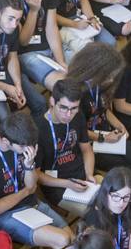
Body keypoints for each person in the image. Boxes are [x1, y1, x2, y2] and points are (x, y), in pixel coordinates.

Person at [0, 110, 72, 249]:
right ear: (5, 141)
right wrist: (25, 192)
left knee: (72, 240)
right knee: (62, 240)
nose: (27, 149)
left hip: (31, 204)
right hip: (5, 216)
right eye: (22, 147)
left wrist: (29, 166)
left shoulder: (27, 143)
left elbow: (32, 186)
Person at [64, 42, 131, 182]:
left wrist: (119, 125)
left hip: (106, 133)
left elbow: (103, 109)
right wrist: (103, 138)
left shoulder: (100, 84)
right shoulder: (76, 93)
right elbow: (77, 129)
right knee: (128, 167)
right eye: (109, 75)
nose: (112, 79)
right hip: (89, 142)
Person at [37, 78, 98, 216]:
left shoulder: (78, 116)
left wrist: (89, 174)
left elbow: (87, 149)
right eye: (63, 108)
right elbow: (37, 174)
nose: (68, 114)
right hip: (58, 185)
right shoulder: (39, 128)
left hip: (82, 176)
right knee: (96, 214)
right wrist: (67, 184)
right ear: (52, 102)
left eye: (74, 108)